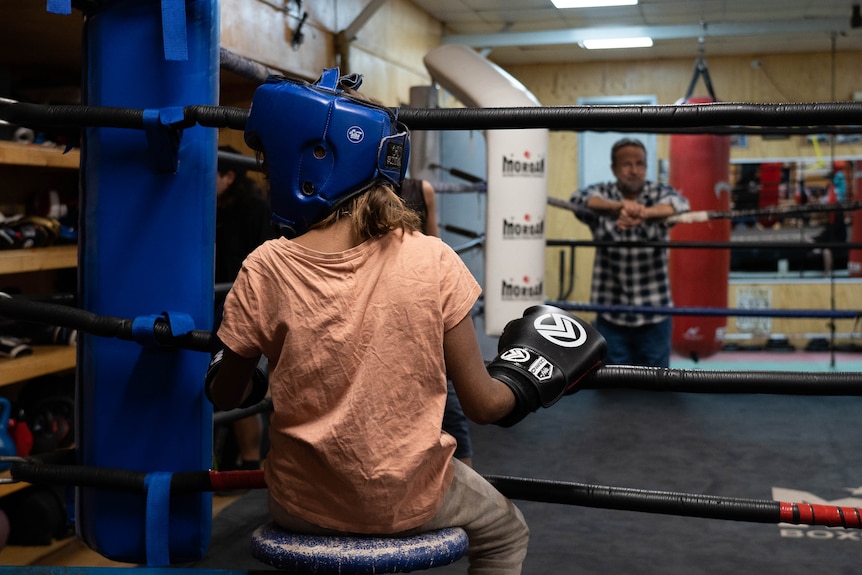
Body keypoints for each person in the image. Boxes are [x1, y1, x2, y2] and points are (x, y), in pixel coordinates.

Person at [205, 69, 606, 574]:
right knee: (507, 533)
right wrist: (535, 373)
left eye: (269, 165)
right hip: (408, 499)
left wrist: (244, 367)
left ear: (306, 163)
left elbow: (225, 395)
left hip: (299, 504)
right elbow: (483, 405)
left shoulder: (266, 264)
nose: (269, 176)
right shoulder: (433, 259)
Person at [569, 137, 689, 368]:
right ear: (614, 168)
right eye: (627, 164)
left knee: (655, 388)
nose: (634, 171)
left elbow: (679, 204)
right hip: (611, 314)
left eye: (640, 164)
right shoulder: (603, 192)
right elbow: (578, 199)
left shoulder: (657, 193)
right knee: (613, 389)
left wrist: (644, 213)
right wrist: (618, 208)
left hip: (654, 313)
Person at [398, 177, 473, 467]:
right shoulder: (354, 193)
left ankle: (467, 488)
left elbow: (435, 247)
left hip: (421, 303)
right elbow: (485, 405)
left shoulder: (420, 188)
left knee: (449, 408)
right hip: (387, 309)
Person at [213, 145, 277, 472]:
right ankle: (247, 463)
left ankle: (260, 460)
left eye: (214, 173)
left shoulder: (256, 210)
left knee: (261, 384)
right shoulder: (211, 210)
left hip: (255, 304)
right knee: (236, 383)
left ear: (229, 175)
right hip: (221, 304)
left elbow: (266, 263)